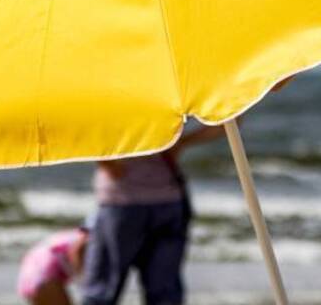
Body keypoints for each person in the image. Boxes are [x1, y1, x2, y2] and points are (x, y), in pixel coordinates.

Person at [81, 123, 230, 305]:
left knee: (102, 289)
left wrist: (104, 159)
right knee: (164, 292)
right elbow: (230, 121)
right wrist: (182, 142)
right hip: (167, 198)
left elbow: (81, 126)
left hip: (123, 200)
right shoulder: (167, 96)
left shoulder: (109, 98)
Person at [18, 223, 89, 304]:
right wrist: (83, 281)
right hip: (42, 273)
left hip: (32, 272)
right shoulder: (92, 233)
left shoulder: (87, 230)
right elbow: (76, 250)